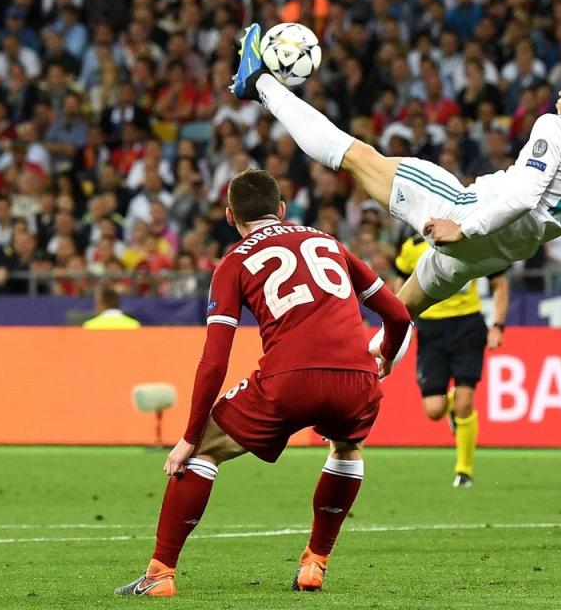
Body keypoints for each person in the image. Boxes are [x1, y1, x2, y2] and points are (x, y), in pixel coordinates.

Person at [231, 24, 561, 323]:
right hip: (493, 257)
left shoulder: (557, 128)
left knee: (357, 157)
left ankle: (260, 84)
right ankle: (364, 375)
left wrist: (463, 227)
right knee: (397, 319)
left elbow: (523, 198)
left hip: (467, 214)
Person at [115, 169, 412, 597]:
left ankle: (160, 574)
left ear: (230, 215)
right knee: (347, 447)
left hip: (288, 379)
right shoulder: (329, 242)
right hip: (357, 378)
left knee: (203, 452)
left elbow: (215, 360)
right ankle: (314, 564)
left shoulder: (233, 262)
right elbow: (399, 316)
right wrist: (384, 355)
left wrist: (190, 435)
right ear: (282, 210)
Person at [394, 235, 510, 487]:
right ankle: (453, 409)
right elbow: (400, 283)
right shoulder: (412, 246)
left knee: (465, 403)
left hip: (467, 324)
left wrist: (498, 325)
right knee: (434, 409)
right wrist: (400, 324)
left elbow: (500, 283)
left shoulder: (474, 240)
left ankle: (464, 470)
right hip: (430, 329)